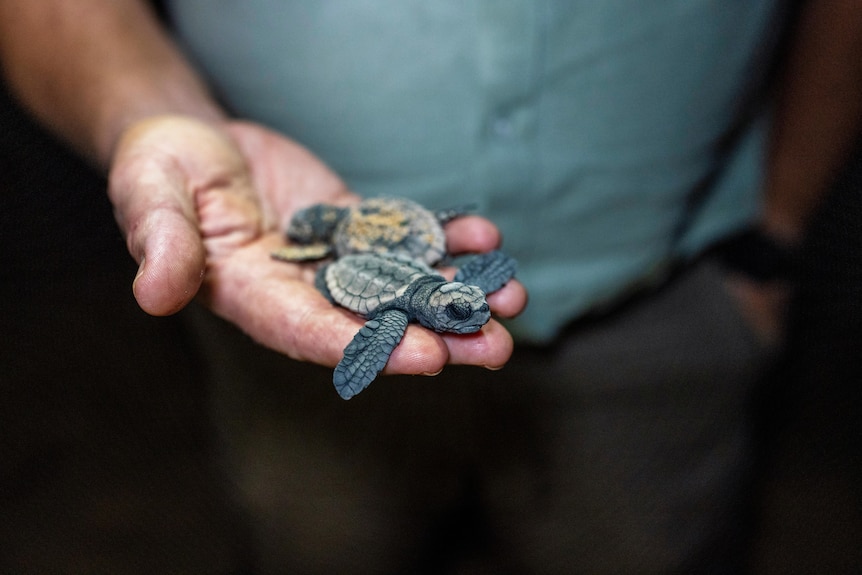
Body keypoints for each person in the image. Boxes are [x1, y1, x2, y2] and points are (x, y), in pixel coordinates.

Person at [1, 1, 860, 573]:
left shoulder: (444, 286)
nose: (469, 301)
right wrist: (149, 111)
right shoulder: (389, 307)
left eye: (463, 300)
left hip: (670, 293)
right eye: (460, 300)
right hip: (297, 332)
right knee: (322, 537)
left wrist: (772, 237)